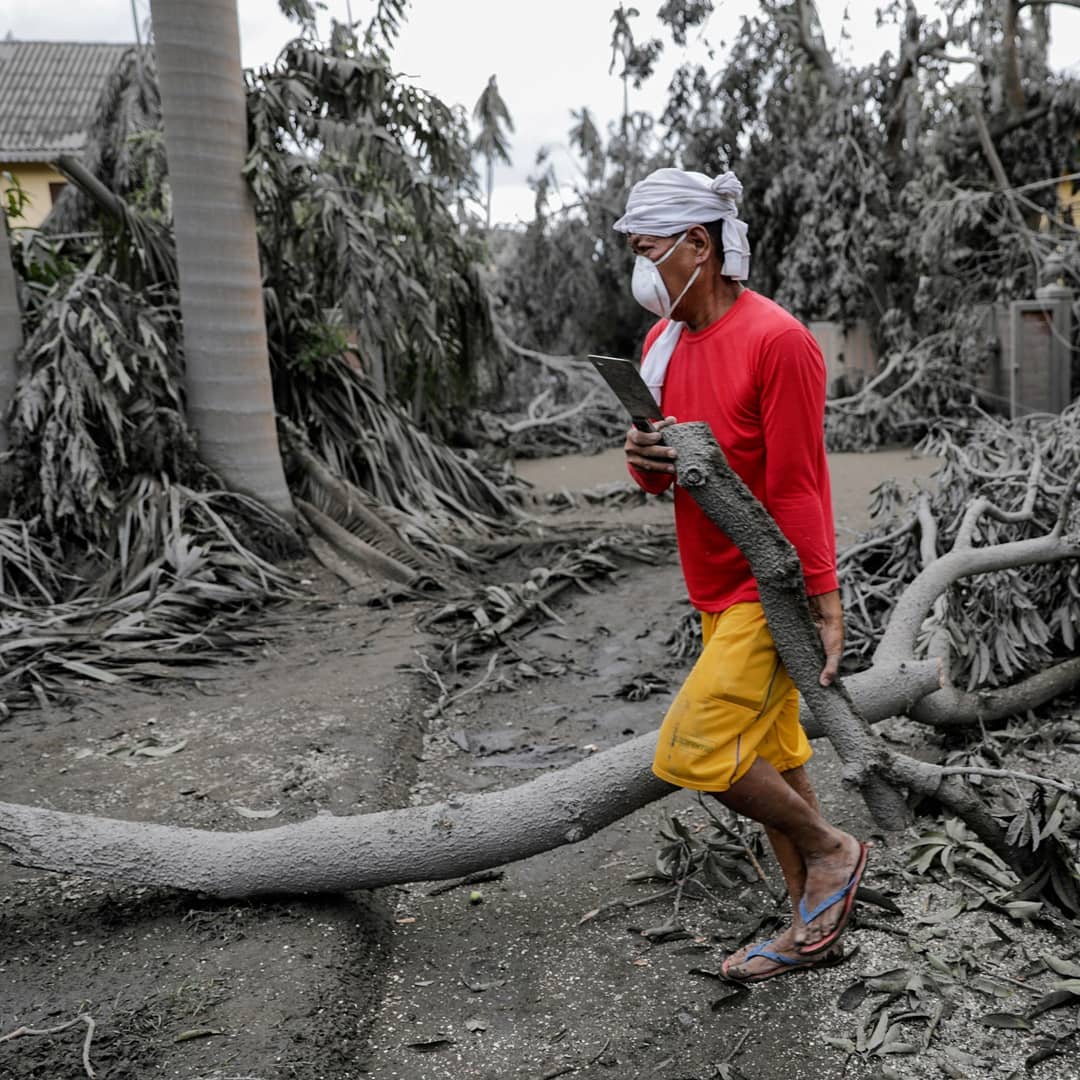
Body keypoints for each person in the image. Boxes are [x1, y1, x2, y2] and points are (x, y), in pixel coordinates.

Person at [614, 168, 868, 983]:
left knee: (694, 748)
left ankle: (834, 852)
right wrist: (641, 459)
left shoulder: (778, 341)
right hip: (713, 592)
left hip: (770, 592)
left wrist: (825, 599)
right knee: (779, 758)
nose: (640, 269)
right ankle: (810, 932)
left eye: (648, 250)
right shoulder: (663, 346)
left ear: (699, 245)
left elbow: (799, 481)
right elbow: (666, 478)